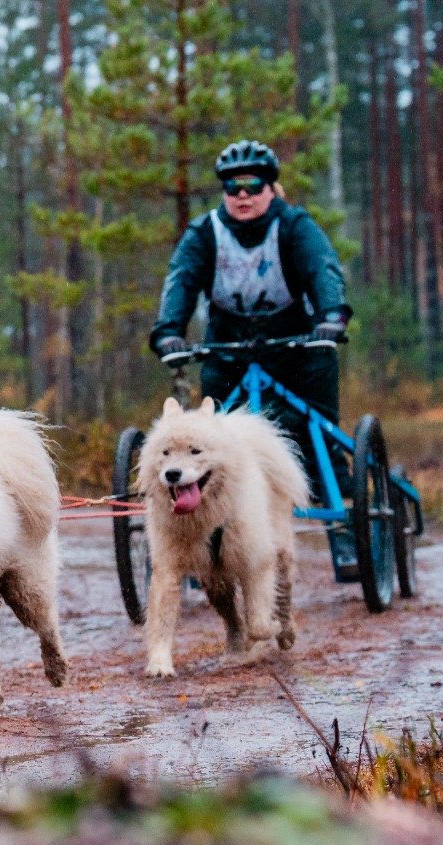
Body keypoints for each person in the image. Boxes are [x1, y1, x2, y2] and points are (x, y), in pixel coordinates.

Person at [148, 139, 357, 569]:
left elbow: (323, 269)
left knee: (317, 435)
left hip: (299, 348)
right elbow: (181, 281)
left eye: (253, 185)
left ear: (270, 187)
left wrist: (332, 316)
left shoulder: (294, 225)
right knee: (211, 447)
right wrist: (169, 332)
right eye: (232, 187)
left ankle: (346, 535)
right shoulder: (204, 234)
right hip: (228, 351)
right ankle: (205, 546)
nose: (242, 196)